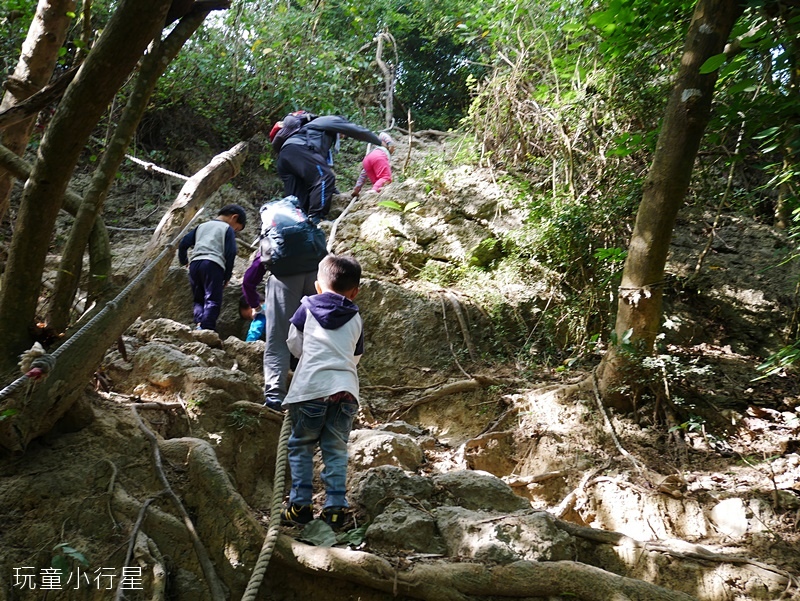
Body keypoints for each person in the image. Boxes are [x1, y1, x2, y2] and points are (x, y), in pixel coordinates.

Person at [280, 254, 363, 531]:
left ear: (318, 286)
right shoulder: (355, 316)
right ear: (355, 291)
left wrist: (310, 358)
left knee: (301, 446)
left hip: (311, 389)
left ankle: (300, 506)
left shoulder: (306, 307)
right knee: (336, 449)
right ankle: (335, 510)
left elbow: (294, 343)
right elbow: (355, 356)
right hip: (346, 391)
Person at [273, 115, 381, 223]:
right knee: (325, 177)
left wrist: (337, 194)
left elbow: (320, 177)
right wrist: (380, 142)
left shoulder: (314, 134)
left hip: (285, 155)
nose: (343, 136)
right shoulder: (332, 120)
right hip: (299, 149)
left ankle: (294, 225)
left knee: (297, 198)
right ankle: (317, 219)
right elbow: (357, 131)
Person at [178, 204, 246, 331]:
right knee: (213, 299)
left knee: (199, 298)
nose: (235, 231)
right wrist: (227, 276)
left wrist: (184, 261)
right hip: (213, 264)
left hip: (195, 264)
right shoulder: (227, 228)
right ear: (234, 217)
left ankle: (199, 324)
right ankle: (207, 328)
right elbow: (230, 253)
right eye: (237, 229)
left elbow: (183, 243)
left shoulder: (202, 226)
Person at [351, 132, 395, 197]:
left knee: (378, 182)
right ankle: (374, 191)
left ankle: (375, 191)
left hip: (367, 159)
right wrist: (390, 143)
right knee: (385, 177)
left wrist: (357, 189)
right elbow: (382, 134)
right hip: (378, 156)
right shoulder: (383, 146)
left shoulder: (374, 149)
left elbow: (363, 175)